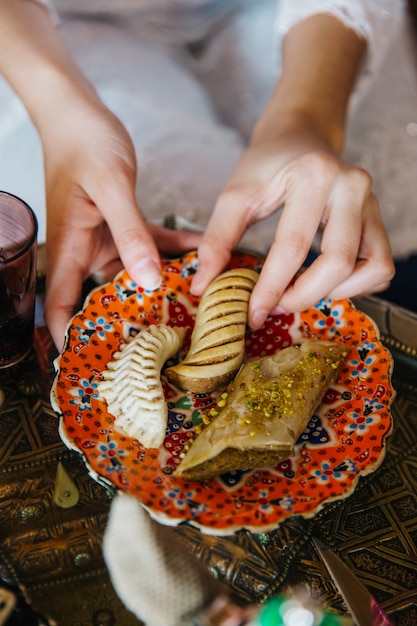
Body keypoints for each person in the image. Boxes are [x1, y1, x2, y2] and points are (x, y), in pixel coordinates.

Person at [1, 0, 409, 353]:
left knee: (313, 225)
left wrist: (306, 121)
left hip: (305, 30)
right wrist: (61, 113)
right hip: (50, 35)